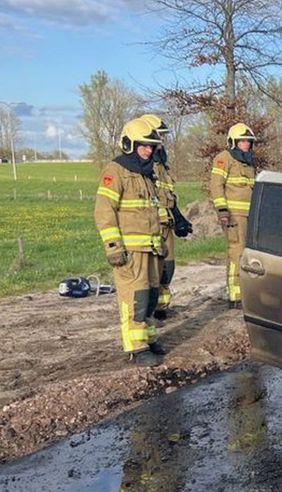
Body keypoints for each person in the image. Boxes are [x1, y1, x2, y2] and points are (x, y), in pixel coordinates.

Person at [93, 118, 166, 366]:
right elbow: (104, 210)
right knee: (134, 298)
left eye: (151, 146)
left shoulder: (147, 174)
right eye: (143, 145)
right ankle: (135, 347)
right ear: (129, 144)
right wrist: (113, 246)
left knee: (151, 296)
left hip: (151, 247)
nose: (148, 150)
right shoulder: (116, 171)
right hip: (130, 252)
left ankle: (148, 338)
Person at [209, 122, 258, 309]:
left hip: (248, 215)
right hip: (233, 216)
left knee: (245, 253)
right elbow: (216, 185)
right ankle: (235, 294)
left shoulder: (248, 162)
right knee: (236, 252)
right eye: (242, 141)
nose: (246, 144)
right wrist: (222, 210)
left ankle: (244, 291)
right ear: (233, 142)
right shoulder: (224, 158)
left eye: (248, 141)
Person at [139, 114, 178, 320]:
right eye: (158, 136)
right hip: (154, 227)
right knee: (154, 272)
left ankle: (162, 308)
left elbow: (168, 194)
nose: (161, 141)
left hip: (167, 224)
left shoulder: (162, 164)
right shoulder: (144, 166)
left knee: (167, 269)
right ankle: (153, 311)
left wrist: (178, 216)